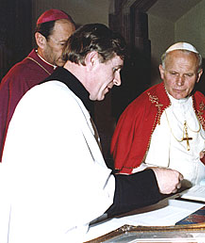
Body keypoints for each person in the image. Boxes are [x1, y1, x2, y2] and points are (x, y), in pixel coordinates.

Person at [0, 23, 182, 243]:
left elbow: (75, 180)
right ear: (93, 59)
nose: (118, 80)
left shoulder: (58, 96)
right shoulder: (56, 101)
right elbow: (92, 196)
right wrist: (154, 182)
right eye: (115, 69)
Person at [111, 42, 205, 186]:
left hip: (203, 191)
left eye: (188, 75)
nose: (180, 82)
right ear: (162, 72)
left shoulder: (201, 104)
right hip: (161, 198)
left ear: (198, 76)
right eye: (173, 73)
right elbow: (127, 169)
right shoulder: (141, 107)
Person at [0, 9, 76, 161]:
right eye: (62, 44)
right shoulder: (19, 77)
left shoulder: (68, 71)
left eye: (71, 44)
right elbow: (12, 136)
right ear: (41, 40)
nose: (68, 51)